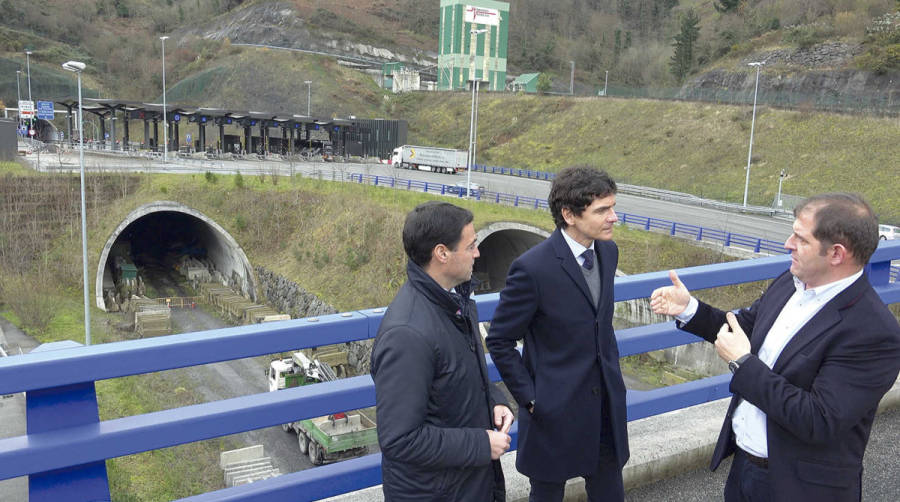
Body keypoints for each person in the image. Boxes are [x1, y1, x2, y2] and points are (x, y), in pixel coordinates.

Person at [650, 192, 900, 502]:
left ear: (836, 254)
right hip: (745, 469)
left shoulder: (874, 333)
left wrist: (743, 363)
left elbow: (819, 420)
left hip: (801, 487)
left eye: (800, 238)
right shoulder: (791, 282)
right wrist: (690, 309)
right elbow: (745, 331)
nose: (787, 244)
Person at [487, 166, 629, 502]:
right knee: (547, 494)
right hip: (554, 412)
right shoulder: (532, 268)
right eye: (603, 210)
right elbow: (500, 340)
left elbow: (599, 325)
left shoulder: (608, 252)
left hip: (605, 407)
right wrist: (532, 399)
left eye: (613, 207)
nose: (614, 218)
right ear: (569, 214)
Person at [371, 201, 514, 502]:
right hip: (434, 492)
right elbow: (400, 439)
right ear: (442, 253)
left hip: (464, 484)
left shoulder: (454, 303)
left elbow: (456, 379)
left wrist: (494, 402)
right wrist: (480, 444)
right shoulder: (407, 334)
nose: (478, 253)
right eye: (471, 245)